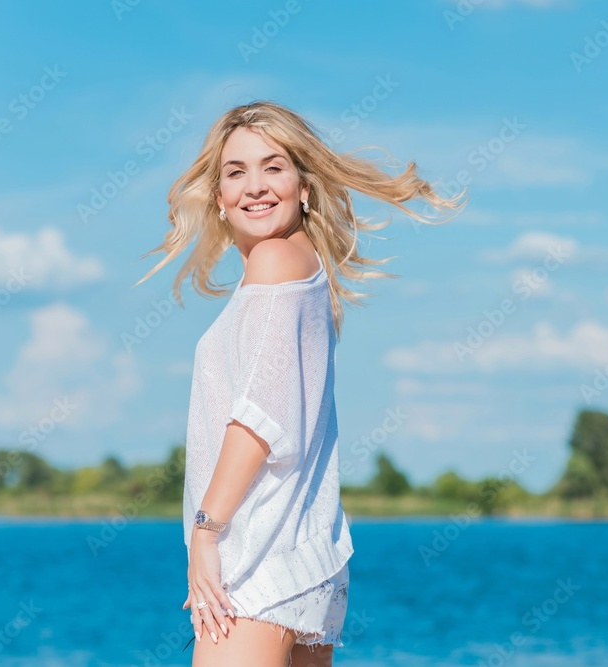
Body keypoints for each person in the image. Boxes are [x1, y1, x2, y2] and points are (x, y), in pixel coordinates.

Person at [136, 100, 466, 666]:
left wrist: (206, 534)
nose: (256, 186)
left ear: (304, 187)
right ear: (219, 197)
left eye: (274, 166)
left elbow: (260, 418)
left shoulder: (275, 262)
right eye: (236, 172)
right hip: (307, 562)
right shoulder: (303, 268)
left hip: (256, 560)